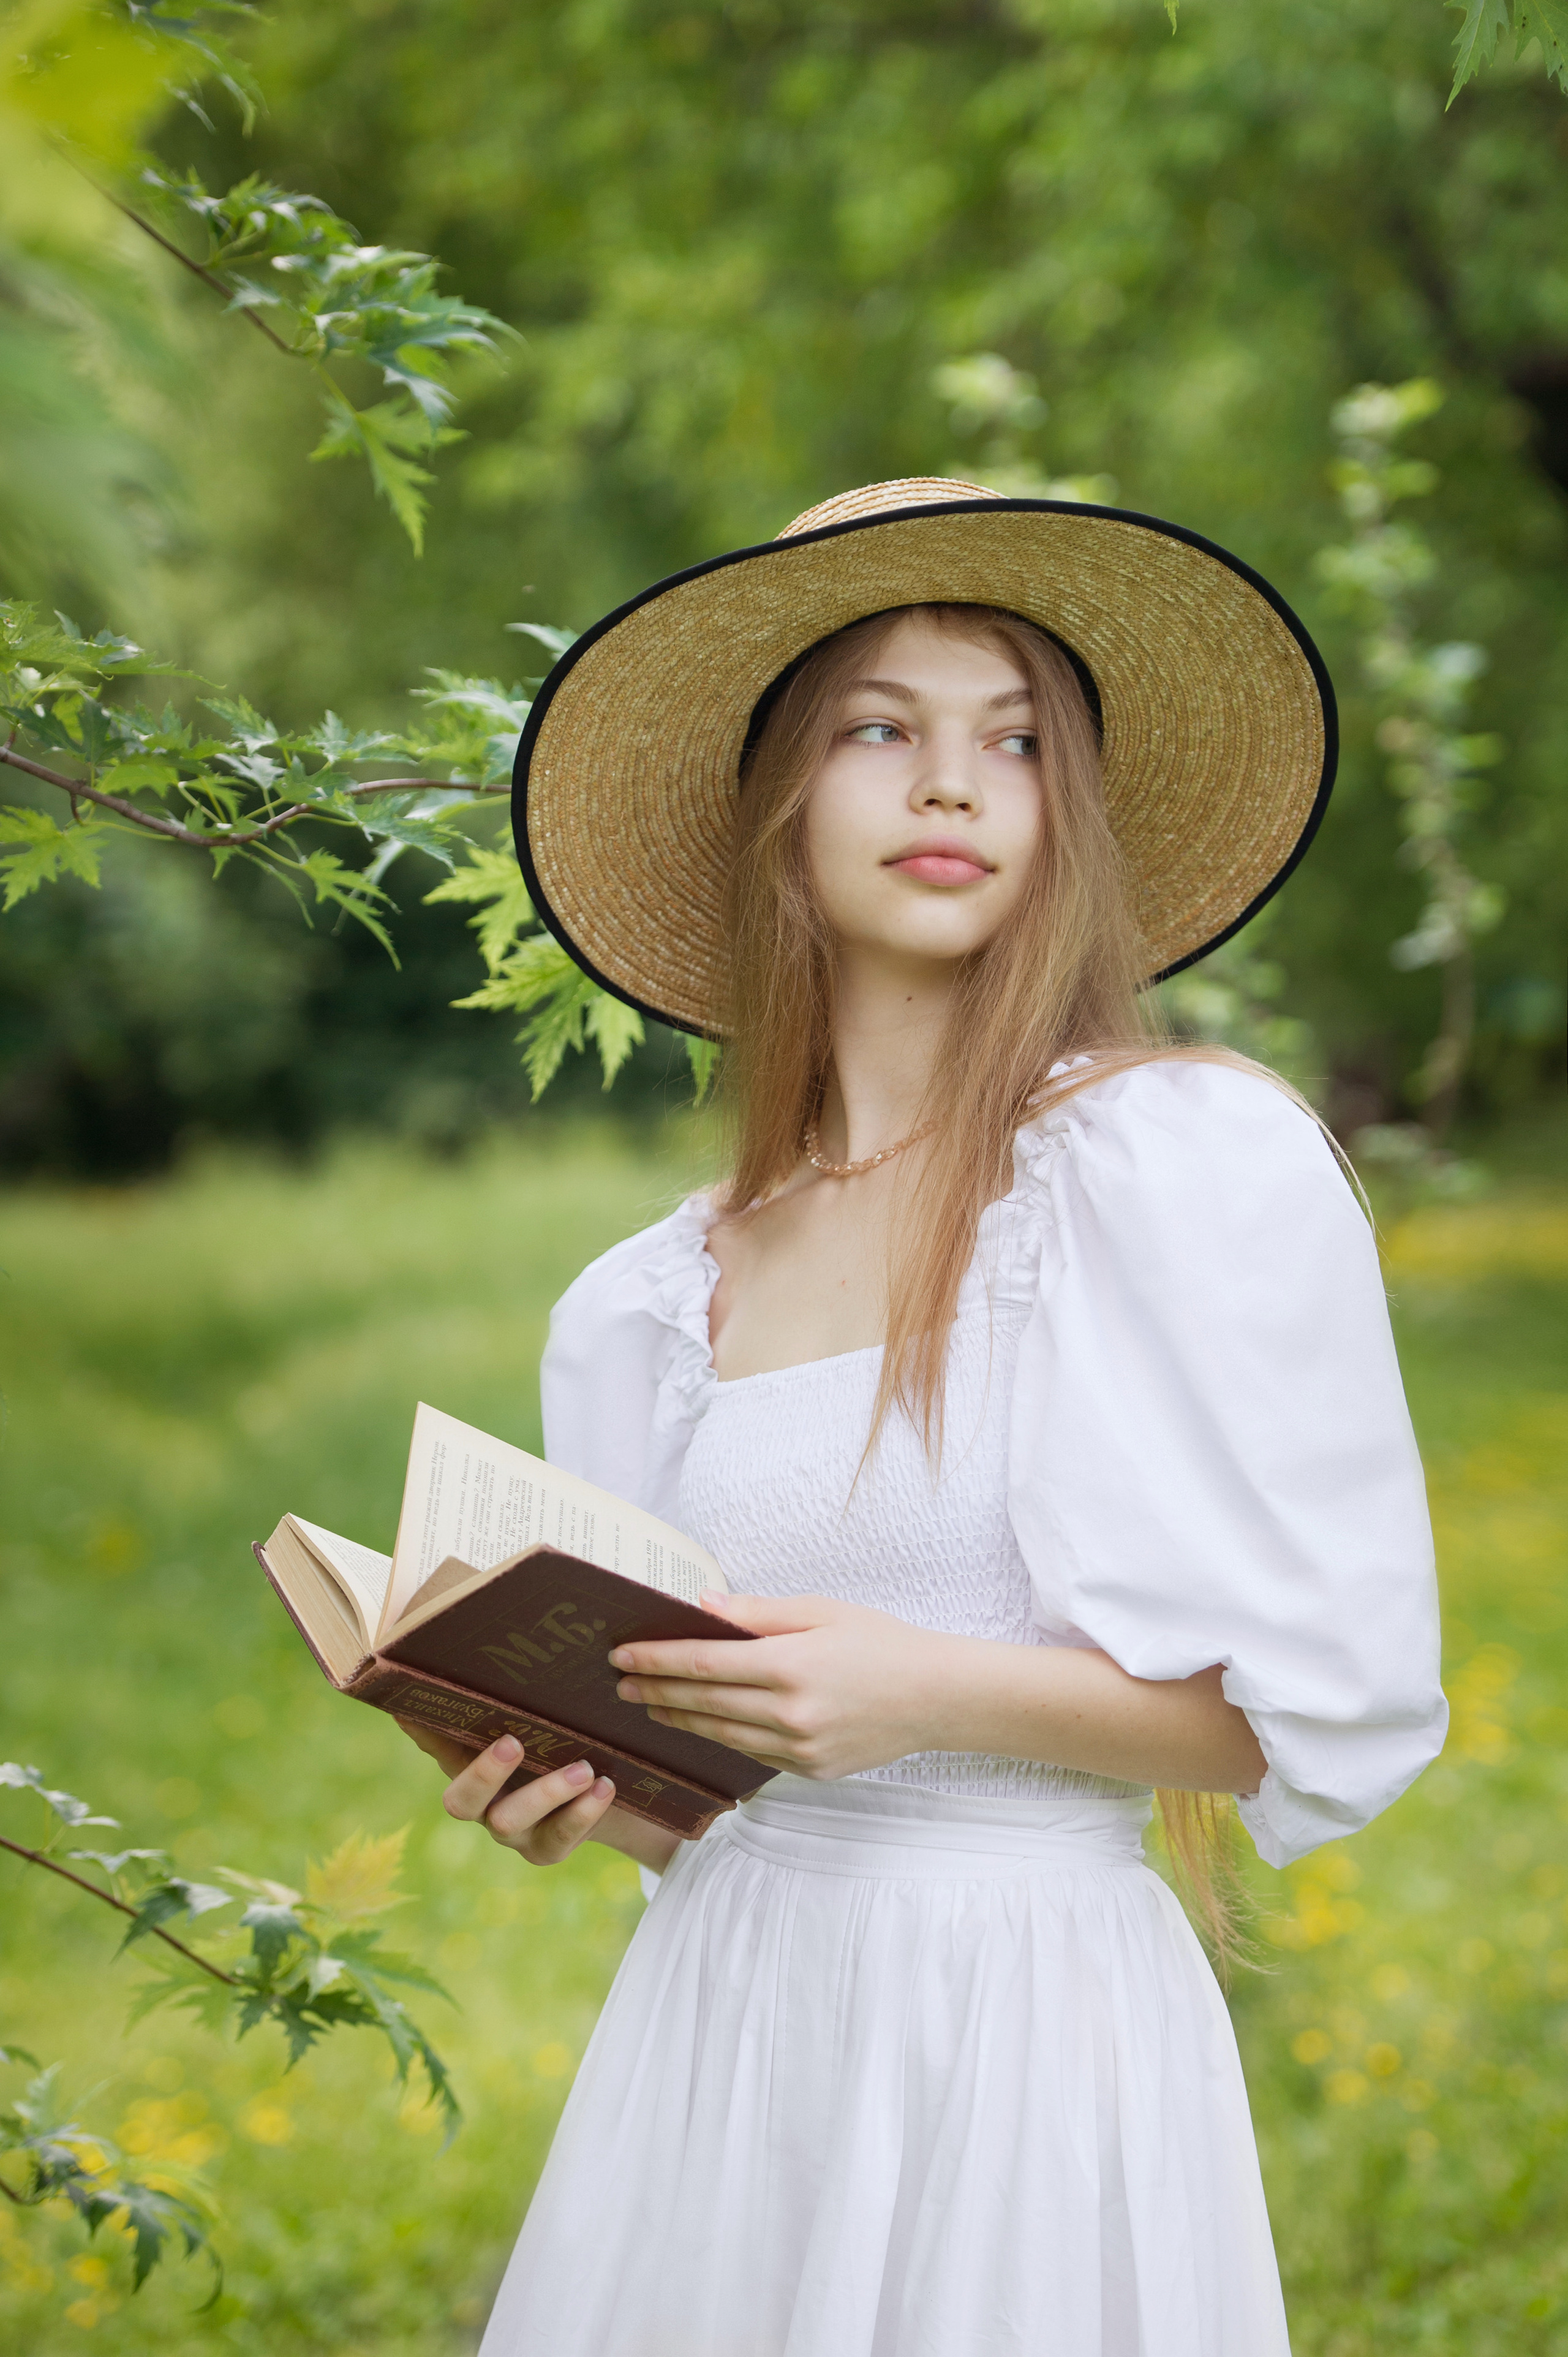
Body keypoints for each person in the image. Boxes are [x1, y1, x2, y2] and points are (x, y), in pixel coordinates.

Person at [404, 480, 1447, 2356]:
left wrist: (924, 1691)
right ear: (780, 813)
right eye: (881, 728)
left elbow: (1322, 1717)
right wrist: (591, 1792)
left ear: (1070, 819)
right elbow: (714, 1775)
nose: (953, 786)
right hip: (728, 2014)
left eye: (1018, 741)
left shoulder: (1169, 1164)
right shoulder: (651, 1297)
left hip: (1025, 2018)